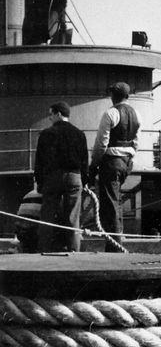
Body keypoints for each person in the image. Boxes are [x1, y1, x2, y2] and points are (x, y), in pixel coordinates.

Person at [89, 82, 141, 251]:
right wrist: (130, 157)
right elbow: (136, 142)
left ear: (114, 96)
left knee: (110, 204)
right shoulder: (136, 114)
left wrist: (94, 164)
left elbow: (101, 143)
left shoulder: (110, 113)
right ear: (127, 96)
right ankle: (118, 241)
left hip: (111, 162)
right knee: (117, 201)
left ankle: (115, 247)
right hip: (127, 162)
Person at [34, 101, 88, 252]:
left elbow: (39, 161)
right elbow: (84, 161)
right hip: (74, 177)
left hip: (52, 178)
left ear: (58, 114)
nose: (49, 118)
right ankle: (74, 251)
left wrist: (39, 182)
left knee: (47, 216)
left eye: (50, 114)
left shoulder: (46, 134)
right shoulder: (80, 134)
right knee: (73, 217)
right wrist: (85, 180)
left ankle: (43, 249)